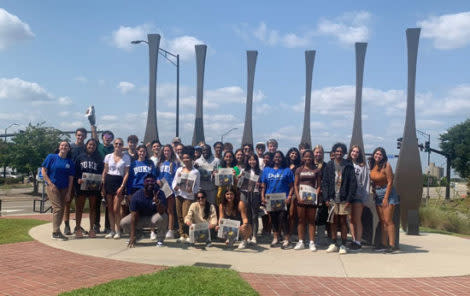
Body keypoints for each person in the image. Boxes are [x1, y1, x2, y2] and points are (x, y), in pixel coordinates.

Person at [322, 143, 357, 255]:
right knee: (333, 221)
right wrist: (326, 198)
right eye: (337, 151)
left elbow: (353, 184)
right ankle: (333, 243)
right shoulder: (329, 165)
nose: (339, 153)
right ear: (333, 152)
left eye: (341, 151)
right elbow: (325, 183)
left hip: (343, 199)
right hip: (332, 198)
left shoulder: (348, 165)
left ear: (344, 153)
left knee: (342, 222)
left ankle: (343, 244)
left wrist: (349, 200)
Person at [121, 174, 168, 247]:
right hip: (140, 218)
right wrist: (132, 236)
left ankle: (160, 239)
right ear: (144, 183)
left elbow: (162, 212)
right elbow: (133, 216)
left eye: (152, 181)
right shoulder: (137, 196)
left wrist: (157, 202)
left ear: (155, 183)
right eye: (147, 181)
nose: (150, 183)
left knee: (163, 217)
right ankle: (137, 235)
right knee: (124, 222)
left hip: (153, 219)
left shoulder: (160, 193)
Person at [41, 141, 75, 240]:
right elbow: (43, 170)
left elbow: (71, 178)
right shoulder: (51, 157)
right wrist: (50, 184)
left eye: (66, 146)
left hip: (64, 188)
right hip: (53, 187)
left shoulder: (70, 162)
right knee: (58, 208)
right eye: (62, 145)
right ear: (59, 147)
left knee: (62, 209)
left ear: (69, 148)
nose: (64, 147)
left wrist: (69, 192)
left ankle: (57, 231)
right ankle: (55, 232)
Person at [260, 151, 294, 249]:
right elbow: (263, 185)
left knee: (283, 218)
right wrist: (262, 196)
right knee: (273, 219)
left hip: (283, 199)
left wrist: (289, 197)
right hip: (270, 198)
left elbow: (292, 186)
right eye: (275, 157)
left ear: (282, 159)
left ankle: (287, 239)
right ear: (272, 158)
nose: (277, 159)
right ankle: (276, 238)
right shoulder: (267, 170)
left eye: (279, 157)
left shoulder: (287, 170)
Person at [369, 147, 399, 253]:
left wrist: (386, 198)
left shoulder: (387, 165)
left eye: (380, 154)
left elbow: (390, 181)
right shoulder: (372, 165)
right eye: (376, 153)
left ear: (383, 156)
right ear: (374, 154)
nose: (378, 156)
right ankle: (383, 244)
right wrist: (373, 190)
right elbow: (373, 181)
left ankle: (392, 245)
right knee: (382, 221)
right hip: (377, 194)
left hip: (388, 193)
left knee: (388, 221)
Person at [101, 138, 131, 239]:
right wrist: (103, 185)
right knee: (109, 208)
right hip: (109, 181)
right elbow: (105, 171)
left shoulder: (126, 157)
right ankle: (112, 230)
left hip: (119, 182)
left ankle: (118, 230)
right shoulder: (108, 157)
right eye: (116, 143)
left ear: (122, 146)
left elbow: (127, 173)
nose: (118, 145)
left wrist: (122, 186)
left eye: (120, 144)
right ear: (114, 145)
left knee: (116, 208)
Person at [74, 139, 103, 238]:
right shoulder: (80, 157)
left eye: (94, 145)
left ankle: (91, 229)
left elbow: (100, 172)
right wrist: (77, 179)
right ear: (86, 145)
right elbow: (76, 171)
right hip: (81, 186)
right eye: (90, 144)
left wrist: (100, 182)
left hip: (93, 186)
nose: (92, 146)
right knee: (79, 208)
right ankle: (78, 228)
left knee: (93, 208)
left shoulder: (98, 158)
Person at [293, 149, 321, 251]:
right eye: (306, 156)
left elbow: (318, 185)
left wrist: (315, 196)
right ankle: (301, 241)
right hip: (301, 199)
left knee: (311, 220)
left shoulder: (317, 170)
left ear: (313, 158)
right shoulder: (299, 170)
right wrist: (298, 197)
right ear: (303, 158)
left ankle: (312, 242)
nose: (308, 158)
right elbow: (295, 185)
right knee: (301, 220)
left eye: (310, 156)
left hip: (312, 199)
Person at [172, 146, 200, 242]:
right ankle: (182, 235)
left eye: (187, 158)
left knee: (186, 216)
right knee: (179, 216)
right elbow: (174, 182)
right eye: (184, 158)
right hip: (179, 195)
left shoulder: (195, 172)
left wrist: (192, 190)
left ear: (192, 158)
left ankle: (188, 235)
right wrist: (175, 187)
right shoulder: (179, 170)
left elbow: (197, 186)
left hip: (188, 197)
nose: (185, 160)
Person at [126, 145, 158, 229]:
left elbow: (154, 176)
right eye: (140, 151)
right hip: (135, 189)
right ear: (137, 152)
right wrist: (129, 193)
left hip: (147, 189)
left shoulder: (150, 163)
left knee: (151, 209)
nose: (142, 153)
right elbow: (129, 179)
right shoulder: (133, 164)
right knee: (135, 211)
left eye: (144, 151)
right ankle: (137, 230)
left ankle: (152, 230)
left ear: (146, 152)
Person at [64, 127, 87, 235]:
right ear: (75, 135)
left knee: (80, 205)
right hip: (70, 179)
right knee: (67, 203)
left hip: (81, 180)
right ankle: (66, 225)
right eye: (78, 135)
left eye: (82, 135)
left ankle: (78, 226)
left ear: (85, 137)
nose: (80, 137)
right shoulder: (70, 147)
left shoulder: (87, 148)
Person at [347, 145, 370, 250]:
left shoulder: (363, 166)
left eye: (357, 152)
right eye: (353, 151)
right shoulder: (346, 163)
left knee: (357, 219)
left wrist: (365, 198)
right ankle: (354, 240)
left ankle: (358, 242)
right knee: (350, 219)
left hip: (358, 195)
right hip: (347, 196)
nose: (354, 153)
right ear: (350, 152)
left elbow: (366, 182)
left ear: (359, 154)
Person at [157, 144, 179, 239]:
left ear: (171, 152)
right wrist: (157, 180)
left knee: (170, 210)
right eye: (165, 151)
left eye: (168, 151)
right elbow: (157, 175)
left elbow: (177, 175)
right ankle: (162, 228)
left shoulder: (174, 163)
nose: (166, 152)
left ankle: (170, 229)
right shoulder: (159, 163)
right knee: (161, 210)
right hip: (161, 188)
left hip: (170, 188)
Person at [239, 154, 262, 244]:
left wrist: (259, 184)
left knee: (254, 215)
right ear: (247, 161)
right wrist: (239, 179)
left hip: (255, 194)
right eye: (250, 160)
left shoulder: (260, 172)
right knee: (246, 215)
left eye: (254, 160)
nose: (252, 162)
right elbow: (239, 183)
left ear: (257, 161)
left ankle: (254, 236)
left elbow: (263, 184)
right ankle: (247, 235)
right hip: (244, 193)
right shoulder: (244, 170)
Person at [286, 147, 301, 237]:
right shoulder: (284, 164)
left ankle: (292, 232)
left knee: (292, 214)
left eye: (295, 154)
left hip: (295, 191)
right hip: (284, 190)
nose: (294, 155)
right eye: (292, 153)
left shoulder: (299, 165)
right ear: (288, 154)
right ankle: (284, 232)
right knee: (284, 213)